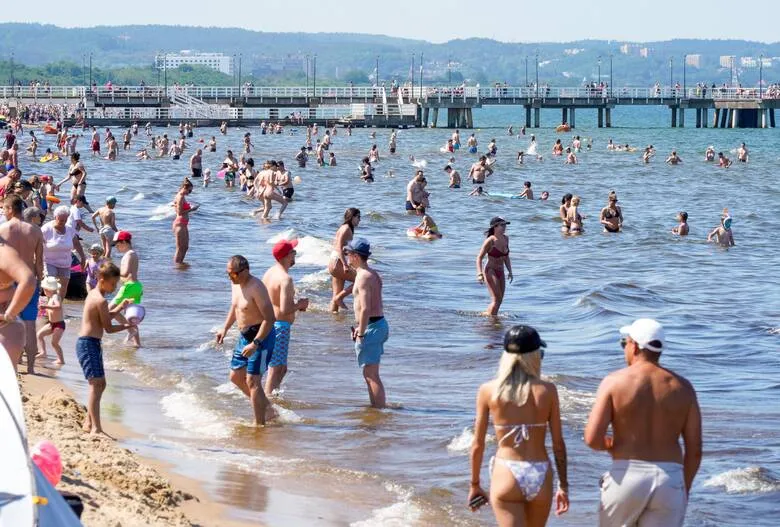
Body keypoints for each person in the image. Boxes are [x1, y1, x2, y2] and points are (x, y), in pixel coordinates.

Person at [585, 319, 702, 527]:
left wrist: (611, 445)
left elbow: (592, 438)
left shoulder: (615, 382)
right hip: (670, 479)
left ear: (635, 345)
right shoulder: (683, 387)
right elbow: (694, 450)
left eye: (625, 343)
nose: (624, 348)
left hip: (627, 475)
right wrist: (683, 488)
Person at [469, 326, 569, 525]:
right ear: (534, 356)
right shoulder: (547, 390)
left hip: (506, 472)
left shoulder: (488, 390)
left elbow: (477, 444)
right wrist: (564, 486)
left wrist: (475, 484)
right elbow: (558, 444)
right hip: (540, 471)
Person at [215, 255, 277, 426]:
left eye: (233, 274)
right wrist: (225, 328)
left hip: (262, 336)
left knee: (252, 380)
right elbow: (235, 307)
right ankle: (267, 408)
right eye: (228, 274)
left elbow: (270, 318)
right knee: (235, 376)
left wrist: (255, 343)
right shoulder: (235, 284)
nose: (230, 277)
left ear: (246, 271)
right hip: (244, 336)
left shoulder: (256, 287)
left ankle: (259, 425)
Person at [77, 261, 135, 435]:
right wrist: (127, 326)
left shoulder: (94, 295)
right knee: (96, 384)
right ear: (102, 279)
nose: (115, 287)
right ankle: (96, 428)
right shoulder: (101, 300)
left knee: (100, 384)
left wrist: (120, 307)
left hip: (90, 343)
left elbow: (104, 317)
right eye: (113, 283)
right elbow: (108, 328)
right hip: (88, 343)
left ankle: (89, 422)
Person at [0, 195, 44, 373]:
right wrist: (40, 280)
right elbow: (39, 260)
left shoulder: (2, 229)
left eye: (4, 208)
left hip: (8, 279)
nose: (3, 211)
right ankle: (31, 367)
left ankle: (14, 365)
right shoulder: (35, 230)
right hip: (29, 278)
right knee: (30, 324)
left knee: (8, 322)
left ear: (10, 209)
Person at [262, 240, 309, 395]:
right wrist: (300, 304)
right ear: (287, 256)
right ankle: (268, 403)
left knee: (281, 368)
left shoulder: (270, 272)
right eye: (293, 252)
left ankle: (272, 399)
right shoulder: (285, 279)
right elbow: (284, 309)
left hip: (269, 324)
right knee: (276, 369)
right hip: (279, 327)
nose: (295, 255)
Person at [345, 238, 388, 409]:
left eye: (348, 253)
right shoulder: (372, 274)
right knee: (370, 373)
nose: (346, 256)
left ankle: (378, 411)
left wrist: (361, 333)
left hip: (372, 326)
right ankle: (378, 409)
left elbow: (365, 309)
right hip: (377, 324)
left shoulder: (363, 277)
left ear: (356, 256)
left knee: (370, 374)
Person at [41, 205, 85, 299]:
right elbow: (37, 245)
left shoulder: (69, 229)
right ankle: (51, 302)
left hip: (65, 262)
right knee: (50, 285)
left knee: (63, 286)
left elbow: (76, 244)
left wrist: (83, 257)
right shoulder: (46, 229)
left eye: (65, 220)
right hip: (49, 261)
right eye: (61, 220)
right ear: (55, 217)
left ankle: (58, 306)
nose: (63, 222)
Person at [109, 231, 143, 347]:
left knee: (109, 310)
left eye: (117, 245)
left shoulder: (129, 254)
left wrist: (112, 271)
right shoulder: (132, 253)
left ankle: (130, 330)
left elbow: (125, 272)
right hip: (136, 286)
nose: (116, 248)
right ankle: (137, 343)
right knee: (130, 316)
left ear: (124, 242)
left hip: (129, 287)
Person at [476, 217, 513, 316]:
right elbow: (479, 258)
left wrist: (510, 271)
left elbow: (506, 257)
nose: (505, 227)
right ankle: (491, 322)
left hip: (501, 271)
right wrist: (479, 274)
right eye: (502, 225)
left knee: (500, 300)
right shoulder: (490, 240)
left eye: (505, 225)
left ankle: (488, 315)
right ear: (495, 227)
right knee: (496, 299)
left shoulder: (506, 238)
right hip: (490, 270)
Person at [328, 208, 361, 313]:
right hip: (338, 262)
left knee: (336, 295)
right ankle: (339, 298)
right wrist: (345, 265)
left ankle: (334, 322)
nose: (360, 220)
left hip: (335, 262)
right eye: (358, 217)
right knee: (360, 280)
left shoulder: (344, 227)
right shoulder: (346, 229)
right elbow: (338, 247)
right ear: (352, 217)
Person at [36, 276, 65, 365]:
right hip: (52, 324)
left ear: (49, 289)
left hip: (59, 325)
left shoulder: (55, 296)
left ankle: (61, 360)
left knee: (54, 343)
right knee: (39, 335)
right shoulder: (51, 297)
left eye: (44, 290)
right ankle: (43, 352)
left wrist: (45, 307)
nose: (44, 292)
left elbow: (58, 306)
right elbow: (51, 311)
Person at [173, 178, 199, 265]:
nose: (189, 193)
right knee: (180, 248)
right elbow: (179, 212)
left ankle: (181, 264)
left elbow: (175, 206)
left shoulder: (181, 196)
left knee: (185, 247)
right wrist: (191, 209)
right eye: (189, 191)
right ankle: (177, 265)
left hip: (183, 224)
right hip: (179, 224)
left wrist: (188, 207)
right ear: (184, 187)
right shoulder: (180, 197)